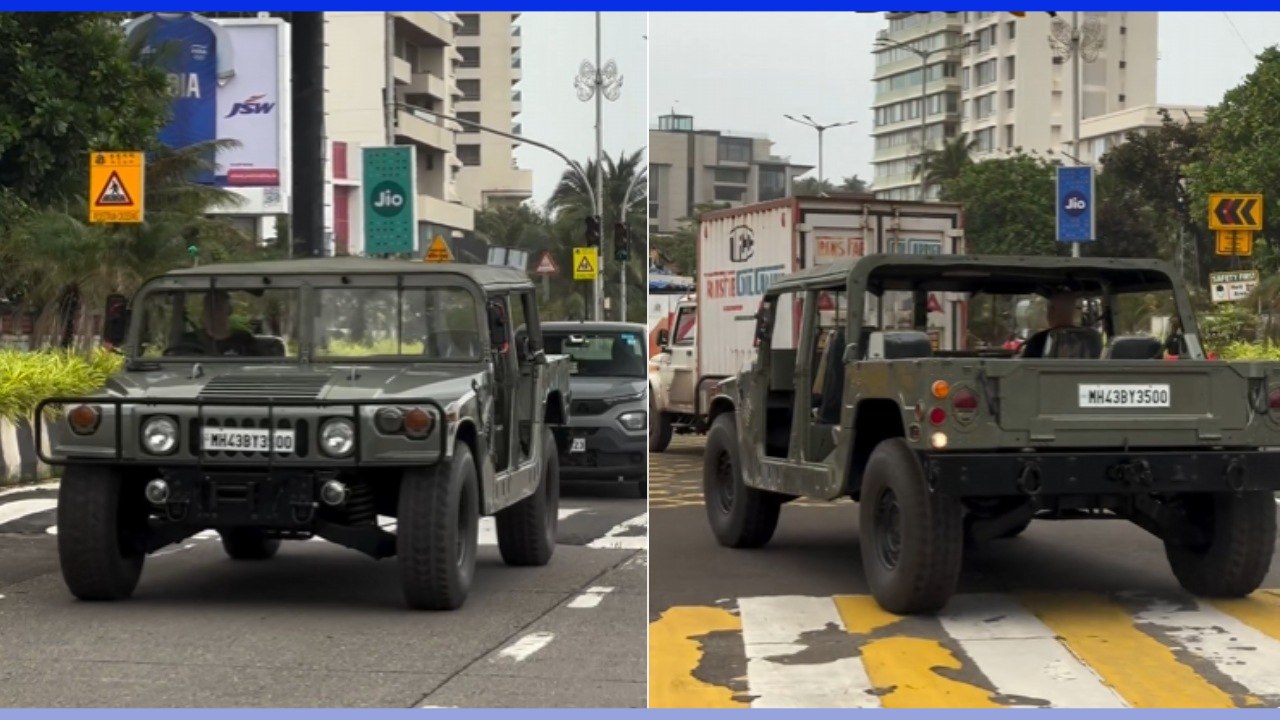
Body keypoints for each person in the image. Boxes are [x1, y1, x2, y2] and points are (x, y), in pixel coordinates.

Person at [194, 290, 257, 356]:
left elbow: (259, 364)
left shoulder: (244, 339)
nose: (213, 312)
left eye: (219, 307)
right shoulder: (192, 340)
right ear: (203, 312)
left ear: (229, 310)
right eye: (209, 307)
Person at [1019, 292, 1079, 359]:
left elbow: (1026, 367)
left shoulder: (1038, 341)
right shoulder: (1090, 340)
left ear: (1052, 310)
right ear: (1074, 311)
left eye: (1047, 309)